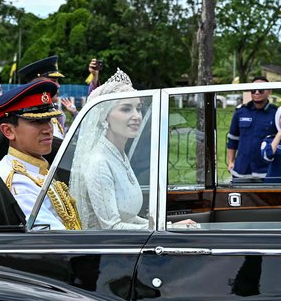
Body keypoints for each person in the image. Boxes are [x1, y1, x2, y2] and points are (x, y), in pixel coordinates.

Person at [69, 69, 195, 230]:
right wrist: (165, 229)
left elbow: (128, 217)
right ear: (105, 116)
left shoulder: (117, 153)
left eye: (139, 108)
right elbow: (112, 227)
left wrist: (169, 226)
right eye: (126, 109)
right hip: (108, 250)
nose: (137, 116)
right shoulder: (99, 162)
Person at [0, 80, 81, 231]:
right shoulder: (19, 184)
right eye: (37, 121)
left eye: (48, 119)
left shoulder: (35, 166)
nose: (48, 128)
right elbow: (58, 243)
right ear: (8, 131)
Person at [226, 77, 277, 182]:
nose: (257, 92)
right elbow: (232, 139)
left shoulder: (276, 113)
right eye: (253, 90)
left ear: (269, 91)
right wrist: (231, 161)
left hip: (266, 172)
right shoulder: (240, 112)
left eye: (261, 89)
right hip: (241, 171)